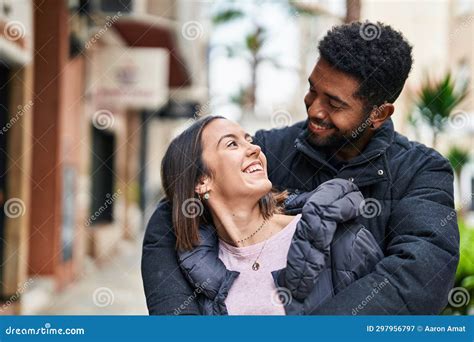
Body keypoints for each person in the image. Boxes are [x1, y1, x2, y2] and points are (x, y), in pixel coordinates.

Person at [142, 21, 459, 315]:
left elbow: (418, 277)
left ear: (379, 114)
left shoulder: (421, 171)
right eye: (312, 90)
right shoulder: (269, 149)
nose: (314, 109)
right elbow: (173, 214)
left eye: (334, 104)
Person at [159, 115, 382, 315]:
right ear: (201, 181)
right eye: (232, 144)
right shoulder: (198, 273)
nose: (254, 149)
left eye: (249, 140)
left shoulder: (339, 239)